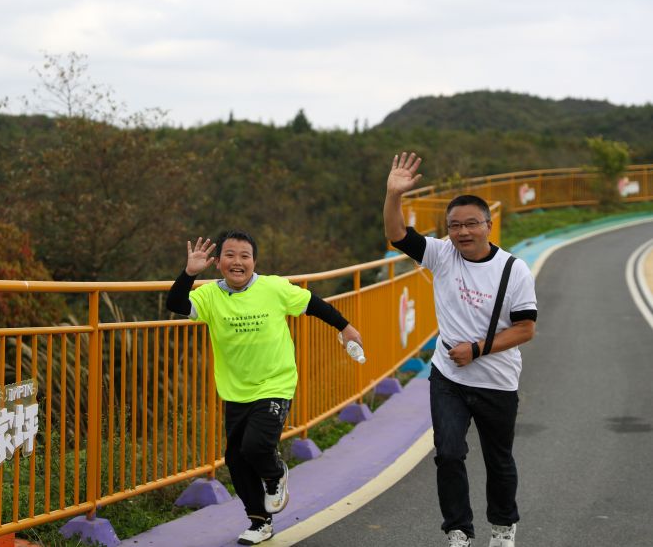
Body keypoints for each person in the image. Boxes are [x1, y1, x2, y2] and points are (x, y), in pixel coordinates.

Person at [166, 230, 363, 545]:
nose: (238, 262)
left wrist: (347, 328)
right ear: (218, 263)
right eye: (230, 255)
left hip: (275, 384)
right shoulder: (209, 295)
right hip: (235, 391)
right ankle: (260, 522)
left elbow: (314, 304)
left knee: (256, 446)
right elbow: (175, 303)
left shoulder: (272, 287)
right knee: (236, 459)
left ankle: (275, 475)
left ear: (254, 262)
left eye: (245, 256)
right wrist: (189, 273)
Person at [383, 152, 537, 547]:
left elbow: (525, 329)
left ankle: (503, 527)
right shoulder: (442, 254)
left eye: (471, 224)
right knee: (448, 454)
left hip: (496, 379)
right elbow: (397, 234)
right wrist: (393, 195)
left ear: (488, 225)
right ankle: (458, 531)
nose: (463, 232)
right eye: (454, 226)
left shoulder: (513, 269)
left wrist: (478, 349)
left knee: (498, 459)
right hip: (448, 375)